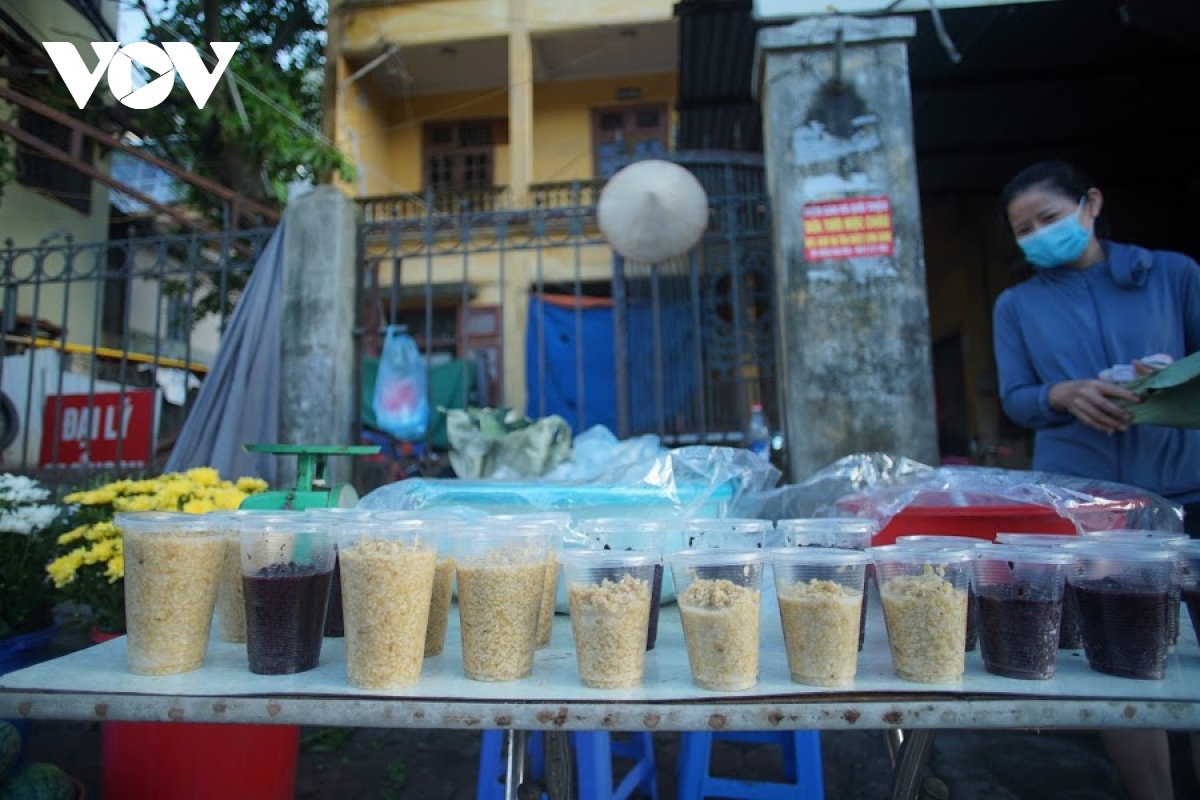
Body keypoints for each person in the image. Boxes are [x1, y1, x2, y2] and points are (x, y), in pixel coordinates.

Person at [992, 159, 1200, 800]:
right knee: (1122, 657)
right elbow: (1016, 398)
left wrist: (1163, 380)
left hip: (1183, 483)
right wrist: (1064, 393)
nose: (1037, 236)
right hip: (1086, 504)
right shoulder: (1018, 304)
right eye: (1023, 230)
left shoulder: (1172, 275)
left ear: (1092, 204)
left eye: (1048, 219)